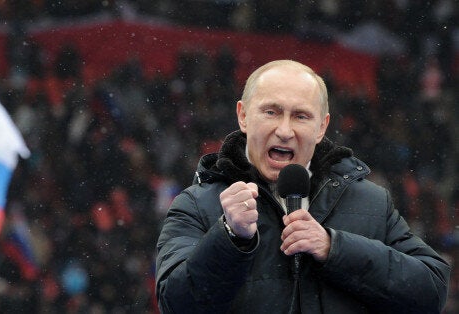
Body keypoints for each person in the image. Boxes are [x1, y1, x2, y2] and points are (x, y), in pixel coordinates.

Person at [155, 60, 450, 313]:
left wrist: (334, 247)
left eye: (300, 116)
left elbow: (431, 291)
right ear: (243, 116)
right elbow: (176, 305)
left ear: (321, 126)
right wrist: (229, 238)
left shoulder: (371, 201)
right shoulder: (196, 204)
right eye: (271, 112)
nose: (284, 131)